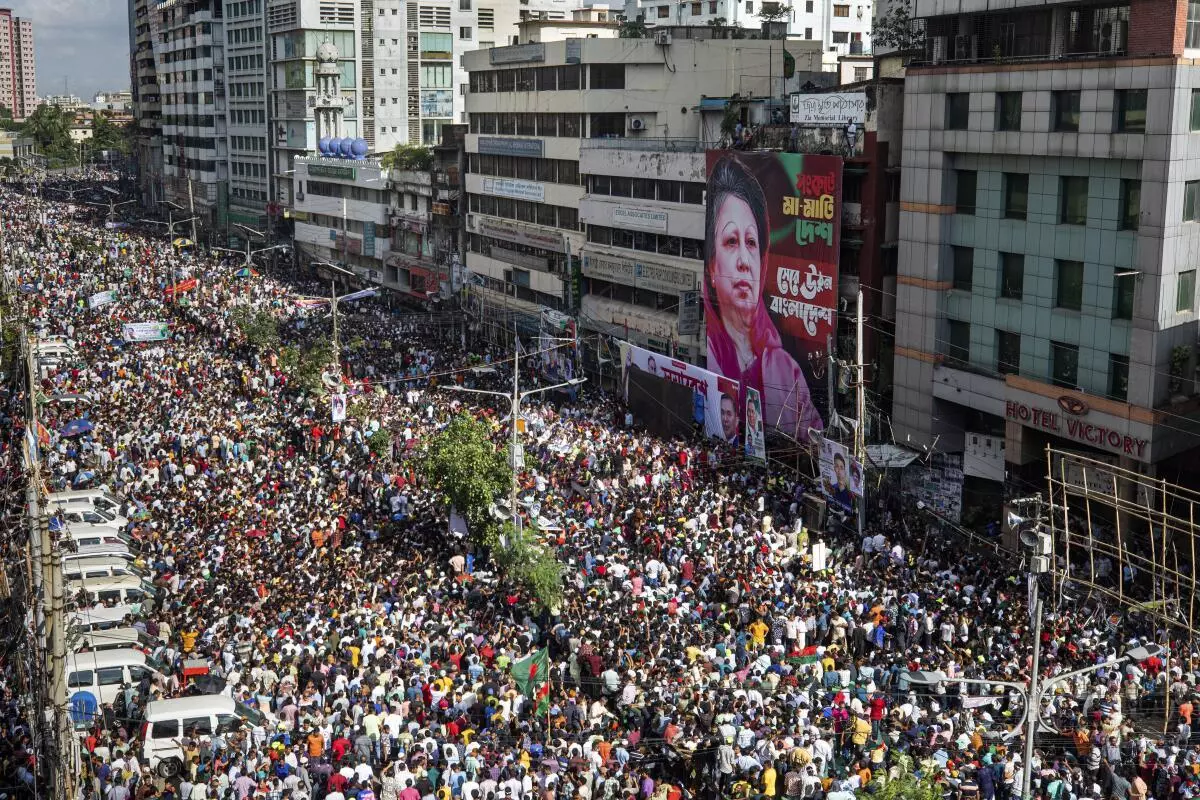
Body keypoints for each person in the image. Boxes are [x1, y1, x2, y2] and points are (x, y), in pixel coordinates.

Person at [703, 156, 823, 442]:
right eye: (732, 242)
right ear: (711, 266)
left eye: (752, 243)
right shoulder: (710, 355)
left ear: (762, 261)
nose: (745, 260)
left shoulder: (785, 369)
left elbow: (815, 443)